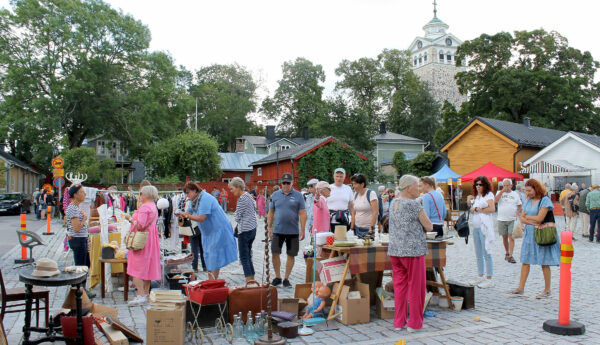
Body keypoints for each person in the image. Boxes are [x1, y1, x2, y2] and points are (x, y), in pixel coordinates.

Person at [388, 175, 433, 332]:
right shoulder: (414, 204)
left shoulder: (393, 202)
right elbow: (429, 226)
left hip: (395, 250)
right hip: (412, 251)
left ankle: (399, 322)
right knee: (416, 287)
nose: (419, 188)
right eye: (416, 186)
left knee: (399, 287)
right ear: (408, 187)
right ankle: (414, 323)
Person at [512, 179, 560, 298]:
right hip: (529, 234)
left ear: (536, 188)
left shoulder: (545, 200)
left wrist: (528, 218)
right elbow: (522, 218)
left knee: (544, 262)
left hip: (542, 234)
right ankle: (521, 288)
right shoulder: (528, 201)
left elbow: (539, 218)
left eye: (530, 190)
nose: (528, 193)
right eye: (526, 190)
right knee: (525, 260)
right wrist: (531, 220)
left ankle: (547, 290)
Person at [182, 182, 237, 278]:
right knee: (209, 257)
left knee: (215, 258)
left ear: (195, 190)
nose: (187, 195)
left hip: (218, 230)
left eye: (188, 192)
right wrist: (182, 214)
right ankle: (211, 283)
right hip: (208, 232)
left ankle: (212, 283)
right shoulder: (193, 199)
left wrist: (189, 216)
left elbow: (201, 218)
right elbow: (189, 211)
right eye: (185, 193)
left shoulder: (205, 198)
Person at [123, 185, 161, 306]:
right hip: (150, 240)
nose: (139, 196)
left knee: (137, 267)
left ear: (144, 195)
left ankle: (141, 295)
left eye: (140, 194)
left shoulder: (145, 207)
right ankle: (146, 293)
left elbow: (140, 225)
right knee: (147, 266)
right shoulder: (153, 206)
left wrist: (130, 218)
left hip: (141, 240)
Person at [267, 173, 306, 288]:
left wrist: (302, 230)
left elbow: (302, 213)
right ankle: (278, 277)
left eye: (288, 183)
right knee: (275, 253)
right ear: (281, 183)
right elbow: (271, 212)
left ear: (292, 183)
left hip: (293, 231)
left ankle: (286, 278)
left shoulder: (298, 195)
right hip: (277, 230)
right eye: (284, 183)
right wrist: (269, 227)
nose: (285, 185)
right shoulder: (275, 195)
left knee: (291, 254)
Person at [467, 176, 495, 288]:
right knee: (478, 253)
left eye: (480, 184)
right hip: (476, 227)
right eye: (476, 184)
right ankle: (480, 275)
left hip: (484, 228)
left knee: (486, 252)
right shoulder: (477, 196)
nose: (478, 186)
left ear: (485, 185)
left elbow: (492, 209)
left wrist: (478, 209)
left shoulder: (489, 195)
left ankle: (489, 277)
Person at [230, 177, 257, 282]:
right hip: (252, 228)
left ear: (238, 187)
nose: (231, 191)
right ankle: (252, 279)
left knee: (244, 257)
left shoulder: (241, 199)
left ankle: (248, 281)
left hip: (244, 230)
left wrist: (236, 214)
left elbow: (237, 217)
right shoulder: (249, 196)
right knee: (249, 255)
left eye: (232, 189)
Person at [494, 178, 522, 264]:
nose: (506, 187)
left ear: (511, 185)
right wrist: (502, 192)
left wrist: (517, 213)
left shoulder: (515, 194)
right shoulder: (499, 192)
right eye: (504, 185)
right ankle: (506, 252)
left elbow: (519, 205)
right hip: (501, 218)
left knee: (511, 237)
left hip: (512, 219)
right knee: (504, 237)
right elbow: (495, 200)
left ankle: (511, 254)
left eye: (507, 185)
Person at [66, 184, 90, 267]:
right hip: (78, 240)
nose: (85, 194)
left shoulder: (76, 207)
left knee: (85, 265)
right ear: (75, 195)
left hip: (80, 239)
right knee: (81, 267)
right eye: (82, 192)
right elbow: (76, 228)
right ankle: (80, 280)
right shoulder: (73, 207)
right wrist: (84, 219)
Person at [327, 168, 354, 232]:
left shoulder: (348, 189)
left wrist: (353, 219)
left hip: (344, 220)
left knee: (343, 240)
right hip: (330, 221)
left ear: (344, 177)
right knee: (331, 241)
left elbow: (351, 206)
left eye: (341, 176)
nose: (339, 178)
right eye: (337, 176)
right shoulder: (328, 188)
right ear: (333, 176)